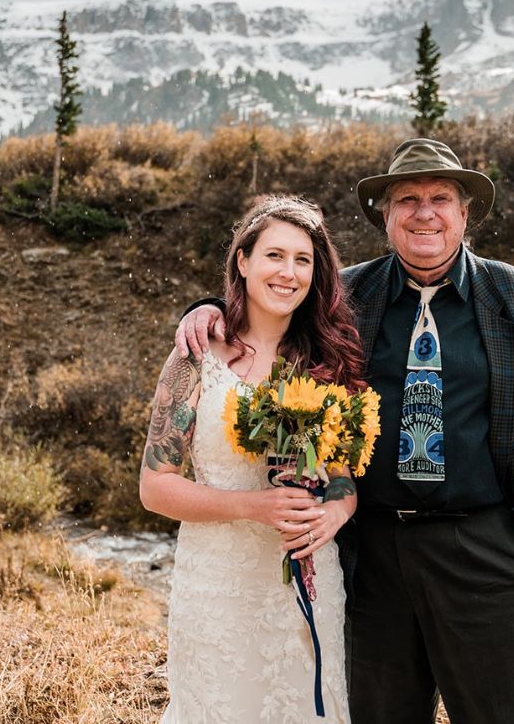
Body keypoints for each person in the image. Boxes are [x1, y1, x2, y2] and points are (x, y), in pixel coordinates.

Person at [176, 138, 514, 724]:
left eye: (440, 197)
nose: (424, 211)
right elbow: (267, 306)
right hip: (373, 558)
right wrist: (205, 308)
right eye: (406, 199)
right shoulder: (346, 296)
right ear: (384, 216)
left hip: (490, 553)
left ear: (465, 213)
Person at [141, 195, 367, 723]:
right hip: (219, 583)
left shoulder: (326, 362)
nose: (288, 272)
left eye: (303, 260)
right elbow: (155, 487)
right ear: (242, 262)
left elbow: (344, 480)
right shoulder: (196, 356)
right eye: (274, 255)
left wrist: (334, 513)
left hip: (311, 578)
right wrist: (255, 506)